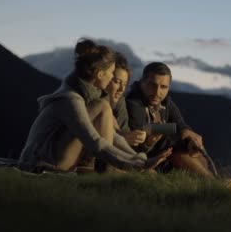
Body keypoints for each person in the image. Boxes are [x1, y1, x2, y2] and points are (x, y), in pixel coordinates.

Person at [18, 39, 171, 173]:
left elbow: (116, 138)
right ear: (100, 74)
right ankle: (105, 170)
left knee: (102, 106)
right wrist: (138, 163)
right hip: (41, 161)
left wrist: (140, 160)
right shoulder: (71, 100)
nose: (119, 87)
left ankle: (105, 169)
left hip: (58, 155)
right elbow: (95, 141)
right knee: (103, 106)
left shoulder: (97, 100)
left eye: (164, 87)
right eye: (113, 76)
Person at [125, 62, 214, 178]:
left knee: (193, 147)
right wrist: (179, 131)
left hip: (164, 153)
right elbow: (143, 127)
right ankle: (213, 183)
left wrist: (188, 136)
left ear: (169, 87)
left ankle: (213, 180)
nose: (157, 92)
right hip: (145, 157)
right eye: (152, 85)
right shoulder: (133, 102)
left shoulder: (166, 102)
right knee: (179, 152)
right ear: (142, 82)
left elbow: (180, 123)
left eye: (163, 87)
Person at [104, 51, 147, 147]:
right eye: (116, 82)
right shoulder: (93, 101)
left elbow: (124, 134)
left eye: (124, 84)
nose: (121, 89)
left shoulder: (120, 102)